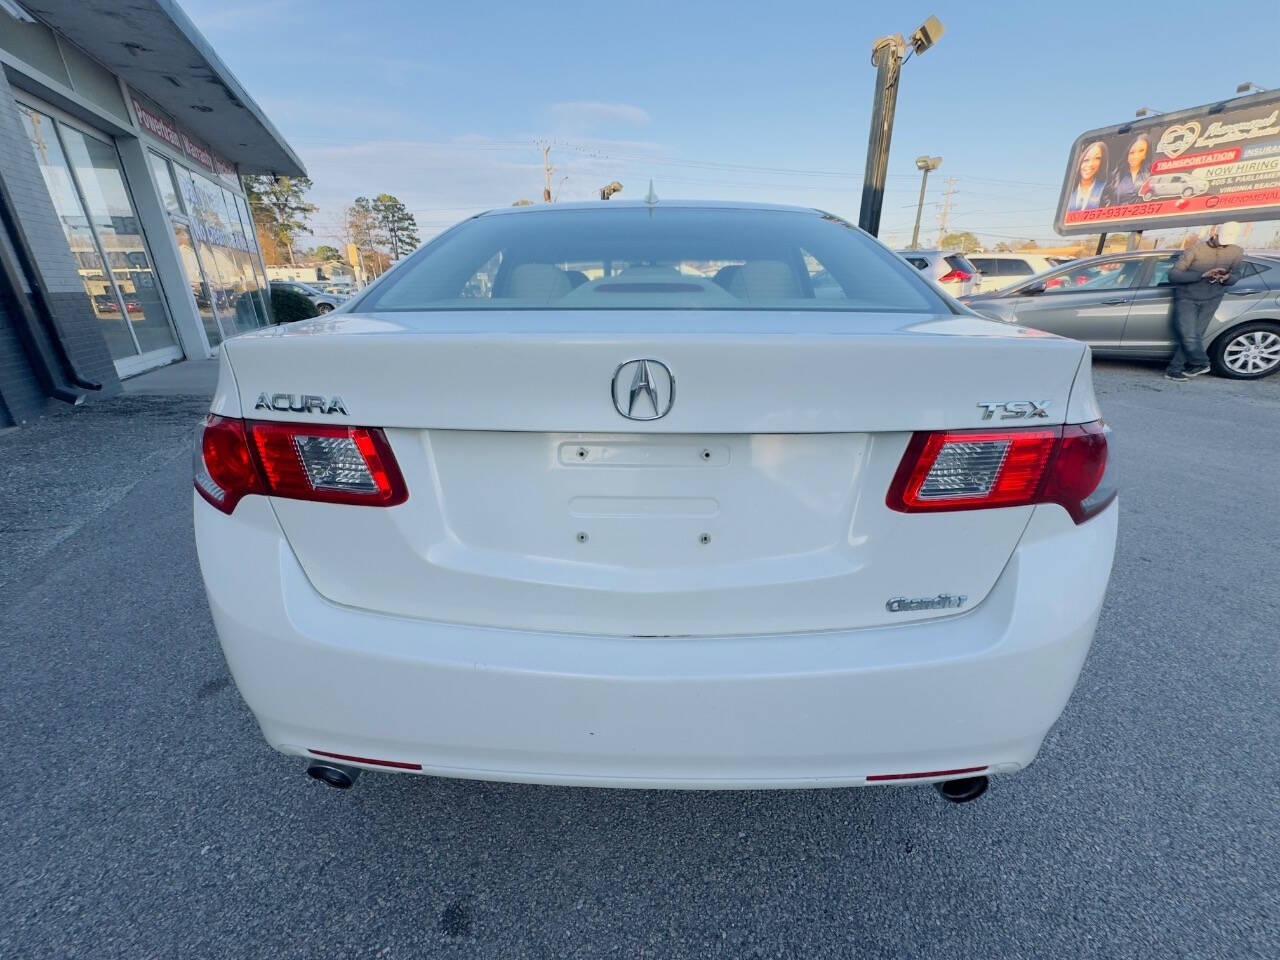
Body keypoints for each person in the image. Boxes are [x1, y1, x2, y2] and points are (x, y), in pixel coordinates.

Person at [1164, 224, 1244, 381]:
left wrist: (1226, 278)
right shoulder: (1195, 250)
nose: (1224, 244)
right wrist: (1202, 275)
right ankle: (1201, 362)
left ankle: (1174, 369)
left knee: (1195, 335)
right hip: (1187, 297)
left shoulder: (1237, 251)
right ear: (1213, 233)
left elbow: (1236, 275)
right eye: (1222, 239)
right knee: (1188, 334)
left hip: (1213, 298)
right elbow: (1174, 276)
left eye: (1227, 241)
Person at [1103, 134, 1151, 206]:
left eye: (1141, 151)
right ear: (1127, 154)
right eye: (1132, 152)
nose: (1136, 156)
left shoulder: (1150, 175)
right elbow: (1106, 198)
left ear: (1145, 154)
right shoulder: (1115, 175)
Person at [1067, 141, 1108, 211]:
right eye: (1086, 160)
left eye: (1097, 158)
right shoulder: (1069, 193)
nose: (1090, 164)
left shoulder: (1106, 190)